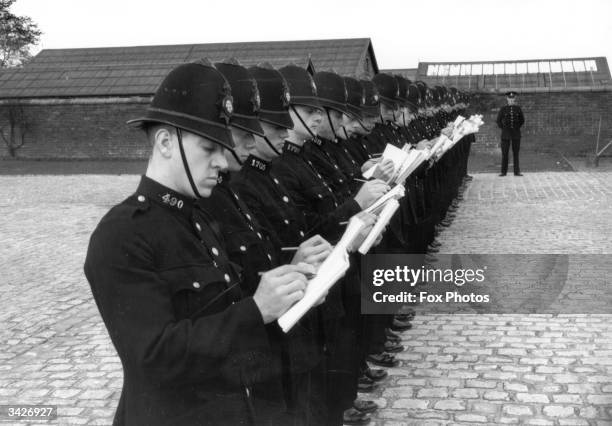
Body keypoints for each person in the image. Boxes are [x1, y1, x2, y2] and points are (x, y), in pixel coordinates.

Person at [83, 60, 313, 426]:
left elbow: (224, 314)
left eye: (223, 147)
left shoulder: (200, 217)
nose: (222, 161)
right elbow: (153, 357)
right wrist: (256, 311)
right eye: (209, 148)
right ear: (164, 142)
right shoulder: (122, 234)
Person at [497, 91, 525, 176]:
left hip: (516, 133)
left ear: (514, 99)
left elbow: (522, 120)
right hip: (506, 134)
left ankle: (517, 172)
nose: (511, 100)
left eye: (512, 99)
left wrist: (516, 127)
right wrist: (504, 128)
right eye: (510, 99)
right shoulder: (503, 109)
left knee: (516, 153)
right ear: (507, 99)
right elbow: (498, 121)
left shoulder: (518, 109)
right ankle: (503, 172)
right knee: (505, 153)